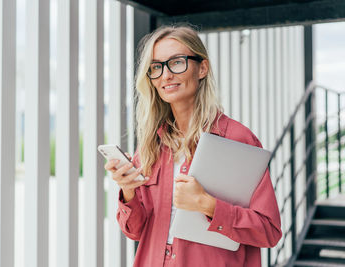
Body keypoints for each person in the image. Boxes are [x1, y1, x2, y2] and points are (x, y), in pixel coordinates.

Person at [105, 25, 282, 267]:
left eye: (176, 62)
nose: (166, 75)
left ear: (202, 68)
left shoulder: (236, 138)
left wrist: (207, 204)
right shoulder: (151, 146)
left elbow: (268, 231)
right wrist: (128, 192)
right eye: (156, 67)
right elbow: (135, 231)